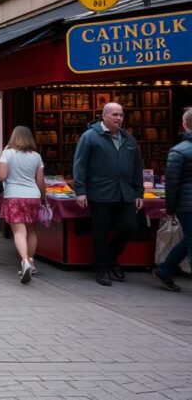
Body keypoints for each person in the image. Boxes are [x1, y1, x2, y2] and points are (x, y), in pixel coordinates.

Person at [73, 102, 143, 286]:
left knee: (130, 226)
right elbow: (80, 164)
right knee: (100, 232)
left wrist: (139, 192)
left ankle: (112, 258)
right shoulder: (90, 137)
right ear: (104, 116)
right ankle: (102, 268)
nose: (119, 118)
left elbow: (137, 168)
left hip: (125, 193)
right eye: (115, 115)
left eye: (121, 115)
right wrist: (80, 191)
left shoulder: (128, 139)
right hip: (100, 192)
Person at [0, 126, 46, 283]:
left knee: (19, 231)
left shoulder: (8, 153)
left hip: (14, 196)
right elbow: (40, 181)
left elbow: (2, 176)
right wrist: (44, 197)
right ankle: (31, 262)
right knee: (31, 230)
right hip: (33, 196)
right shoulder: (36, 156)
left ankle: (24, 261)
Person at [154, 108, 192, 292]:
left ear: (184, 125)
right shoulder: (181, 151)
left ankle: (165, 269)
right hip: (188, 204)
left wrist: (170, 207)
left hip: (186, 205)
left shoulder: (178, 151)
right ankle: (165, 270)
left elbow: (172, 182)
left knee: (189, 239)